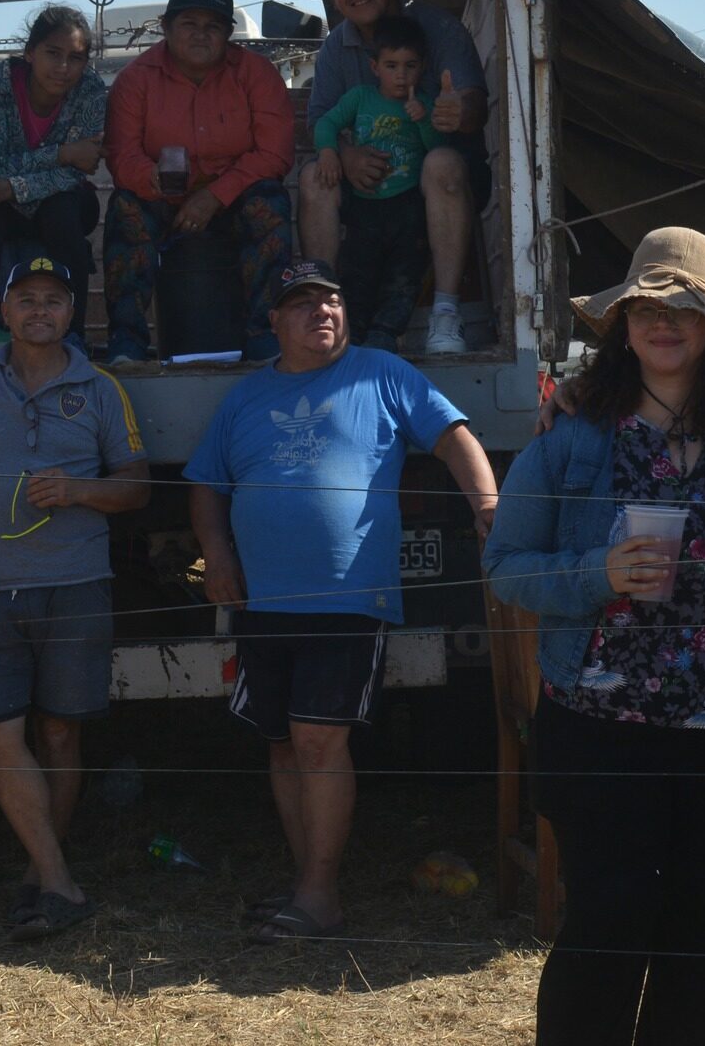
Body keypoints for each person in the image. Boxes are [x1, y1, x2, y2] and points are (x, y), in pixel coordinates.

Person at [483, 228, 705, 1045]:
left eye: (686, 307)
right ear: (620, 322)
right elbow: (506, 566)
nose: (664, 321)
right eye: (646, 304)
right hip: (599, 728)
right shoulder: (577, 434)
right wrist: (597, 574)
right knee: (606, 928)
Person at [185, 260, 498, 943]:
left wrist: (488, 505)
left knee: (320, 743)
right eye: (302, 305)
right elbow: (206, 485)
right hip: (262, 601)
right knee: (281, 747)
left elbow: (455, 440)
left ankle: (322, 897)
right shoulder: (244, 398)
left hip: (347, 596)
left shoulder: (382, 373)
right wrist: (217, 555)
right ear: (274, 322)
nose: (321, 313)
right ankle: (307, 885)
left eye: (331, 301)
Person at [0, 255, 149, 942]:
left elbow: (139, 487)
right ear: (3, 312)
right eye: (25, 299)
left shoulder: (100, 388)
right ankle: (58, 878)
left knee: (61, 730)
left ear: (73, 313)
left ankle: (43, 876)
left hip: (74, 584)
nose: (40, 311)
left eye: (54, 301)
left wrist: (80, 490)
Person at [300, 0, 489, 354]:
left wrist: (457, 109)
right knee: (316, 176)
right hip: (369, 194)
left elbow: (475, 105)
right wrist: (345, 156)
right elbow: (319, 120)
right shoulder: (335, 47)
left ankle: (445, 314)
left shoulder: (438, 28)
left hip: (433, 187)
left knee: (441, 162)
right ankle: (327, 311)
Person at [102, 0, 294, 362]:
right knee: (124, 208)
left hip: (234, 199)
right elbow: (122, 157)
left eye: (213, 26)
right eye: (189, 24)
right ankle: (127, 343)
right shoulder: (134, 80)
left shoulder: (257, 73)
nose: (201, 35)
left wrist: (214, 196)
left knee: (271, 202)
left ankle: (265, 338)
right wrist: (151, 179)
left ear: (228, 34)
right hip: (161, 199)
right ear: (166, 27)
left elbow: (275, 154)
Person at [0, 5, 107, 359]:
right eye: (53, 53)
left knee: (63, 215)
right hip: (0, 198)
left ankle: (74, 336)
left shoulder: (91, 90)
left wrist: (12, 186)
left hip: (61, 196)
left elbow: (77, 169)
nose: (64, 67)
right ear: (30, 53)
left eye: (76, 57)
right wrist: (62, 153)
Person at [311, 15, 443, 351]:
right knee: (358, 272)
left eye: (410, 65)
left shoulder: (423, 104)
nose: (401, 75)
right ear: (374, 67)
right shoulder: (359, 98)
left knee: (404, 274)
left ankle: (386, 334)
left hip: (408, 206)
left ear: (422, 67)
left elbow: (435, 150)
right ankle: (352, 337)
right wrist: (328, 153)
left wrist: (424, 121)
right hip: (365, 205)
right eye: (391, 65)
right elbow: (325, 123)